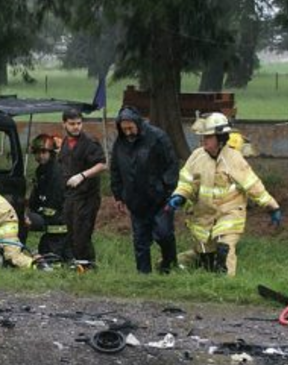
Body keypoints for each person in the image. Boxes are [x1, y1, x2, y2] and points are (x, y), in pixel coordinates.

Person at [168, 112, 282, 276]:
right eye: (203, 137)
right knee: (205, 256)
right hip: (203, 214)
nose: (203, 140)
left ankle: (227, 281)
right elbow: (187, 181)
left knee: (224, 246)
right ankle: (175, 264)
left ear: (220, 138)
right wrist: (179, 196)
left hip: (229, 213)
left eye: (208, 137)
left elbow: (253, 185)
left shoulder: (234, 159)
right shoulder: (197, 156)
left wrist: (272, 207)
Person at [110, 106, 179, 274]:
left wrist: (167, 189)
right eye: (124, 129)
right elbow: (115, 169)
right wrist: (118, 195)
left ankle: (168, 267)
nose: (128, 132)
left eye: (130, 128)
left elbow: (172, 164)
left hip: (159, 198)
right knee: (140, 240)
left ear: (138, 124)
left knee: (164, 235)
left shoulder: (157, 137)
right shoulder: (120, 143)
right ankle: (143, 275)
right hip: (135, 200)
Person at [57, 108, 107, 271]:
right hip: (70, 195)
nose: (76, 127)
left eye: (79, 123)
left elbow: (102, 164)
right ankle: (79, 264)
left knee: (82, 232)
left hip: (87, 195)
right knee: (71, 231)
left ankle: (88, 266)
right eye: (72, 124)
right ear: (64, 124)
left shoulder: (89, 142)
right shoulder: (65, 143)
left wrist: (82, 176)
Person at [25, 134, 70, 261]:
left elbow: (55, 200)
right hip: (48, 218)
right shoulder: (41, 171)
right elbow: (36, 197)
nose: (40, 156)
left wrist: (37, 212)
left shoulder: (57, 171)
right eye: (37, 153)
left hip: (58, 219)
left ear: (51, 153)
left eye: (44, 152)